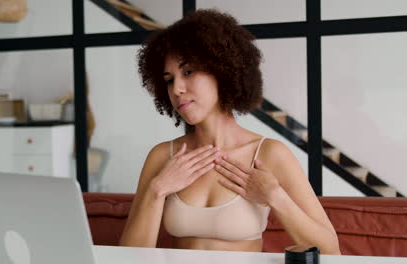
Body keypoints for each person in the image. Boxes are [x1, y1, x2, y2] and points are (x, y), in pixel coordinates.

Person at [119, 9, 341, 254]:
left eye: (188, 72)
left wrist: (275, 196)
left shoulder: (268, 153)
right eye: (169, 79)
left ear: (221, 70)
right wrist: (157, 189)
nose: (177, 89)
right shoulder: (163, 156)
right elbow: (128, 258)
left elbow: (330, 250)